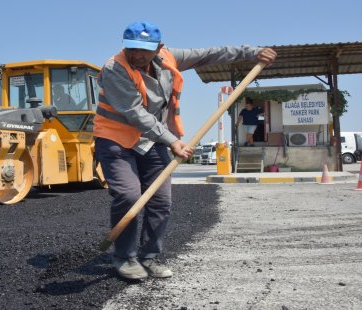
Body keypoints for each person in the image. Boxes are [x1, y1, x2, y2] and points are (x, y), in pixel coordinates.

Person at [93, 21, 276, 280]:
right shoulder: (115, 69)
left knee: (161, 201)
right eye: (132, 48)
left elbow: (210, 54)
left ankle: (149, 256)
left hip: (153, 140)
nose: (137, 55)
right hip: (116, 139)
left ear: (159, 48)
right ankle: (124, 256)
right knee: (129, 195)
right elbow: (135, 114)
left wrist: (251, 52)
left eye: (144, 50)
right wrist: (172, 140)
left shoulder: (170, 57)